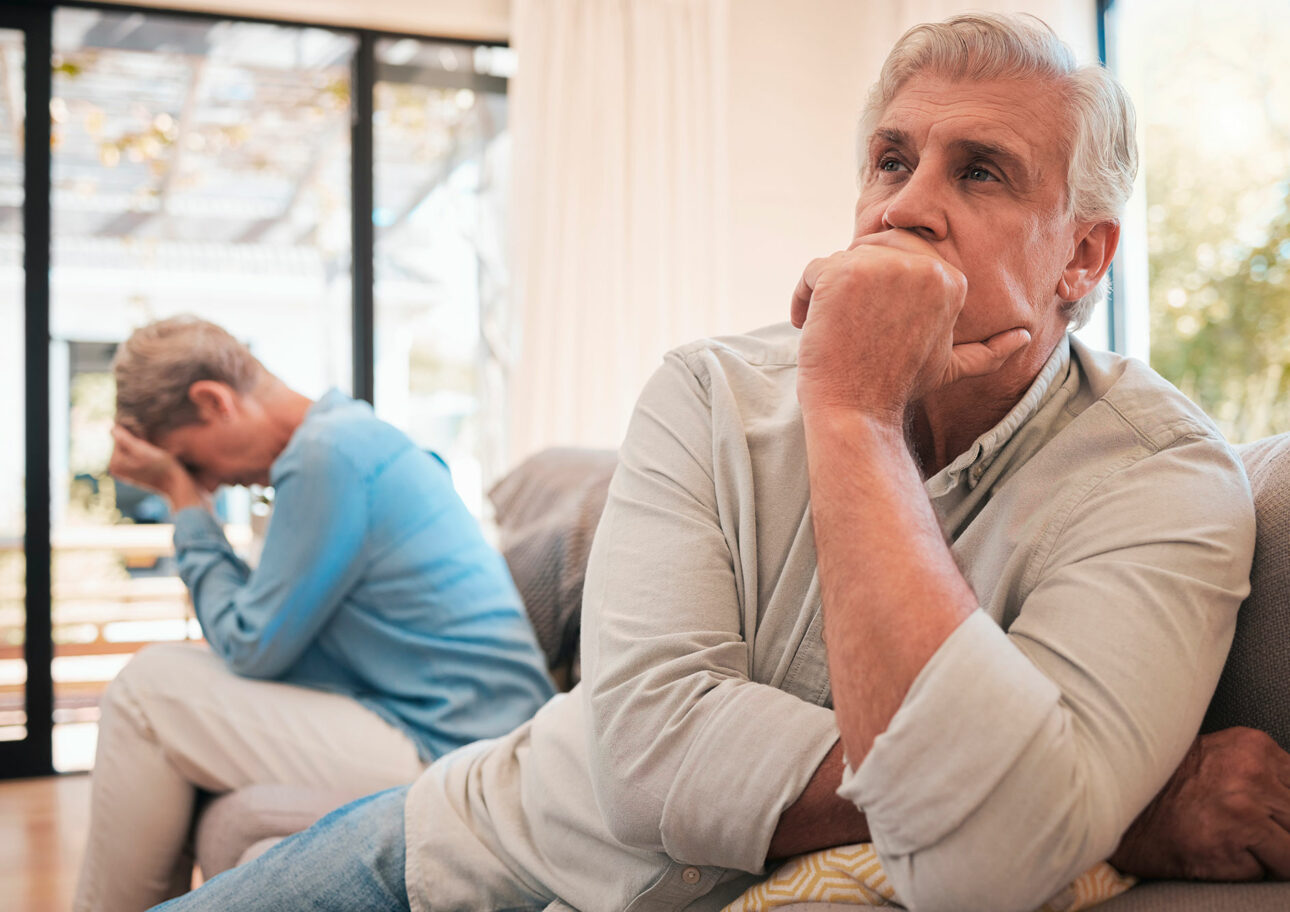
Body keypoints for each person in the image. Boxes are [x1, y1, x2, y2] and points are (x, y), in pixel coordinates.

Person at [151, 14, 1290, 912]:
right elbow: (645, 752)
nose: (907, 206)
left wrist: (852, 420)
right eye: (893, 160)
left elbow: (986, 865)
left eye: (981, 171)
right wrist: (1093, 806)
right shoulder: (707, 388)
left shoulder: (1160, 478)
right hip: (470, 852)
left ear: (1083, 257)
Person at [73, 316, 556, 912]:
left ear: (213, 401)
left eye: (192, 461)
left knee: (147, 691)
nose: (213, 480)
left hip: (461, 748)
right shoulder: (349, 438)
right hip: (445, 725)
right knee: (165, 684)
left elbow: (250, 645)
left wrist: (183, 499)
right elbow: (266, 632)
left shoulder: (328, 456)